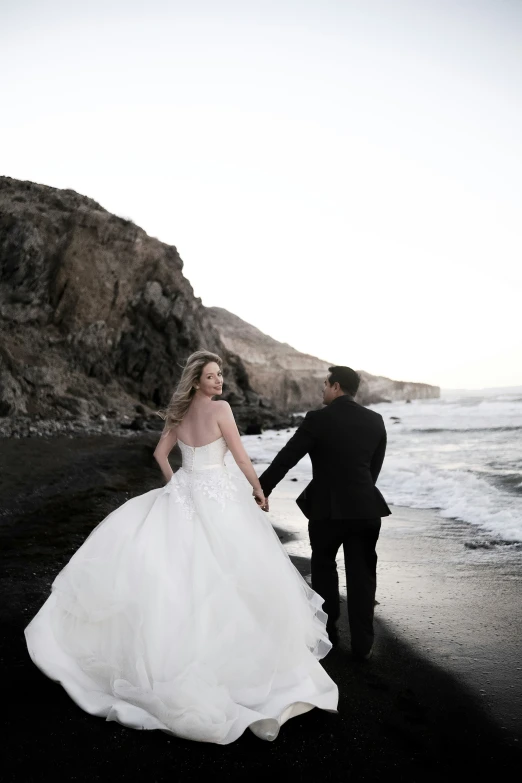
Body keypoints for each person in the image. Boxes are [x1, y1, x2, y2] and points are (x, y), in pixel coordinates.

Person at [24, 351, 338, 745]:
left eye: (220, 375)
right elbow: (240, 456)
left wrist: (178, 483)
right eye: (211, 376)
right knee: (231, 569)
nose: (219, 381)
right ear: (196, 381)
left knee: (179, 566)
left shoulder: (178, 413)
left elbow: (160, 454)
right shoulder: (221, 409)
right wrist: (258, 490)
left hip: (185, 490)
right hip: (220, 494)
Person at [259, 366, 391, 660]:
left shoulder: (318, 419)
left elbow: (286, 458)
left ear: (336, 386)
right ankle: (362, 646)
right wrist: (359, 493)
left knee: (324, 572)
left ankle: (328, 635)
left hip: (327, 511)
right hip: (365, 509)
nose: (322, 389)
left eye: (324, 384)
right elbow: (373, 470)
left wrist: (262, 489)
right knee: (363, 577)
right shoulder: (375, 420)